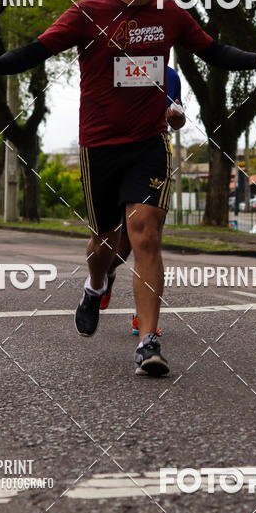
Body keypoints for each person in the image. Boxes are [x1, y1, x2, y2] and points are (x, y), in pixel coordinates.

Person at [0, 0, 256, 377]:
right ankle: (96, 285)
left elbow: (213, 50)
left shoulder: (170, 13)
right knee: (104, 244)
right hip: (99, 145)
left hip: (148, 143)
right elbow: (37, 49)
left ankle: (148, 342)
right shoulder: (88, 12)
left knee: (145, 234)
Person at [100, 65, 185, 335]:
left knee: (149, 239)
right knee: (123, 247)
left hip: (153, 160)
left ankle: (144, 318)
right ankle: (105, 273)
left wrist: (176, 117)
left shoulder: (170, 75)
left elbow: (178, 119)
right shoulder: (113, 65)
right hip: (116, 158)